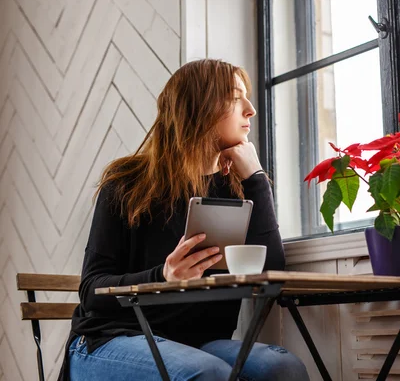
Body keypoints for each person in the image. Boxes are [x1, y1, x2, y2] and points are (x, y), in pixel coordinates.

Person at [58, 59, 309, 381]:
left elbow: (268, 271)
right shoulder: (127, 182)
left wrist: (256, 178)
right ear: (199, 107)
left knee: (282, 367)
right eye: (236, 97)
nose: (250, 110)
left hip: (197, 344)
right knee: (206, 372)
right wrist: (164, 276)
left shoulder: (238, 188)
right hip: (107, 340)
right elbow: (92, 290)